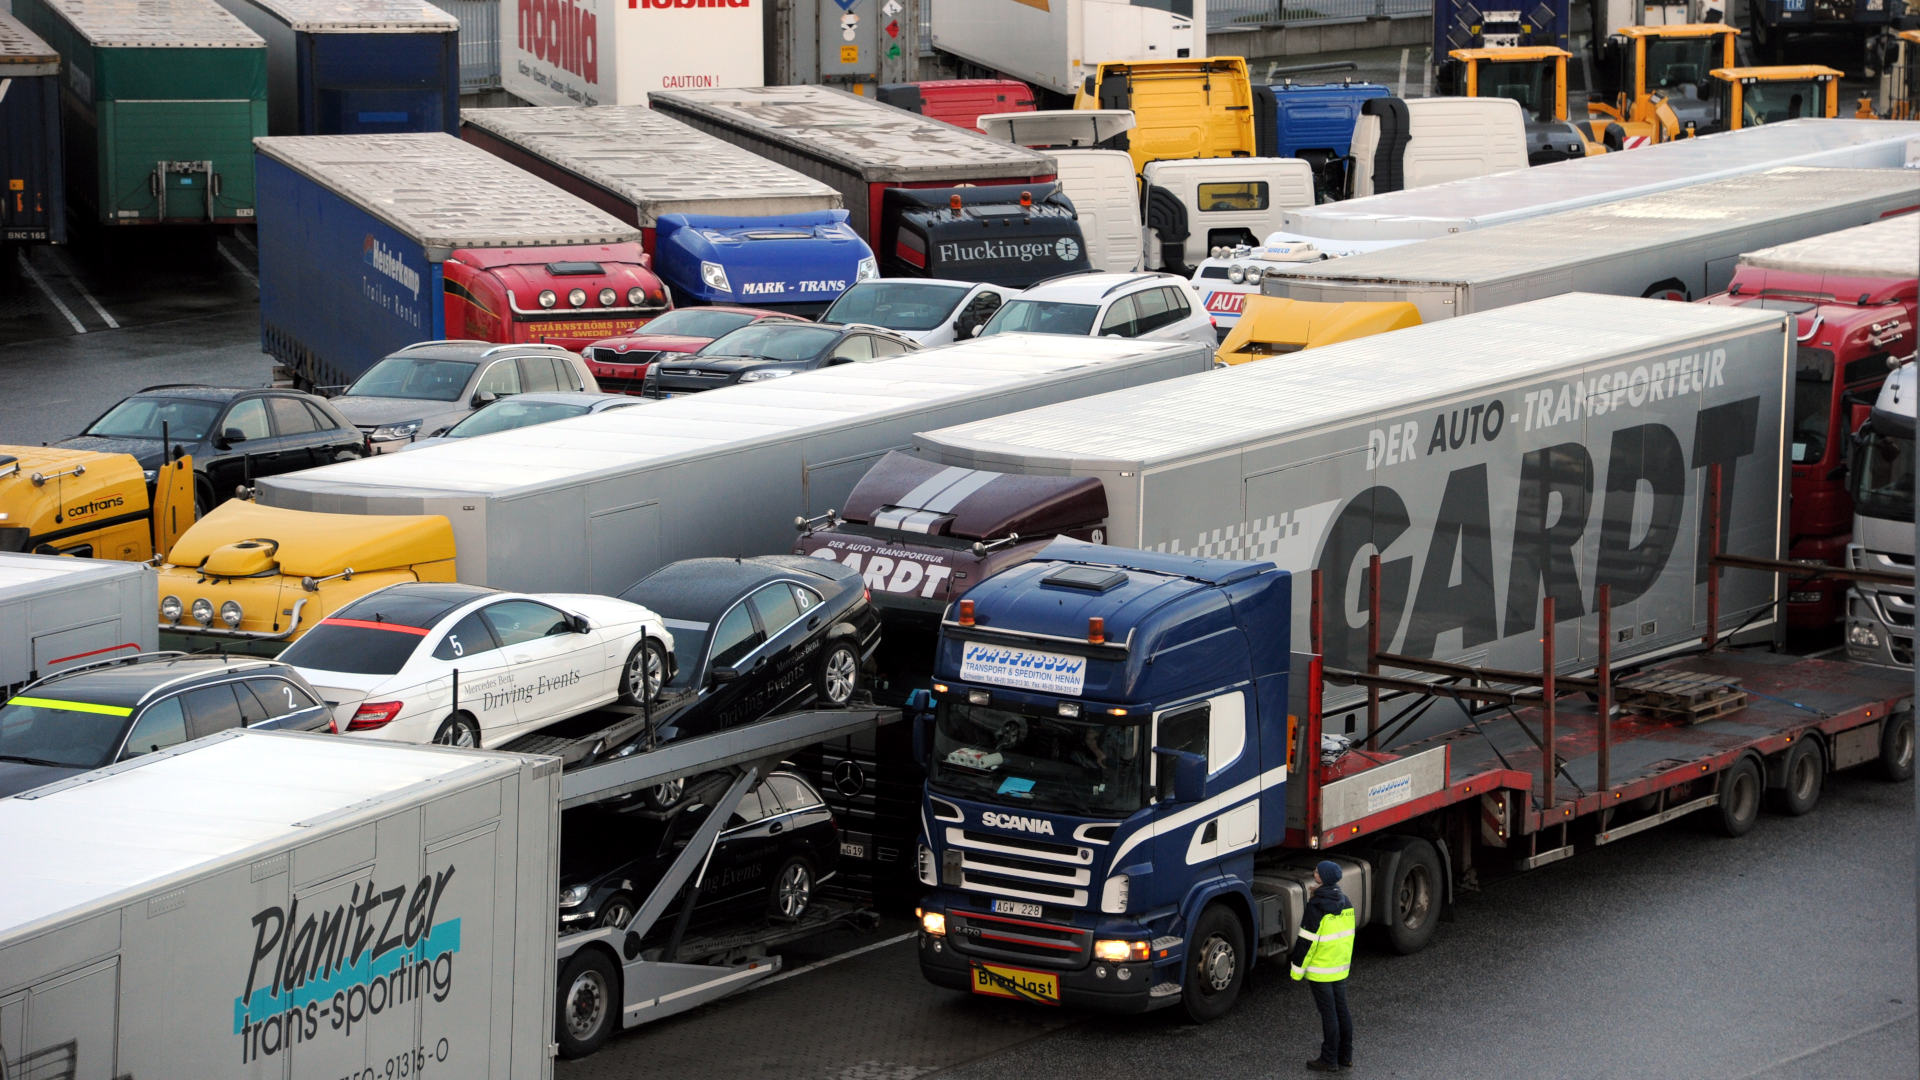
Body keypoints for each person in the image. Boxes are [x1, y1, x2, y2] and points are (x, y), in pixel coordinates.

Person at [1291, 860, 1356, 1071]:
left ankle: (1329, 1060)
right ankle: (1345, 1056)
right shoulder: (1345, 902)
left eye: (1317, 871)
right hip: (1339, 966)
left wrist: (1296, 971)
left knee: (1329, 1014)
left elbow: (1306, 941)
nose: (1314, 872)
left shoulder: (1316, 906)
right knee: (1342, 1010)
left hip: (1320, 970)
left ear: (1324, 877)